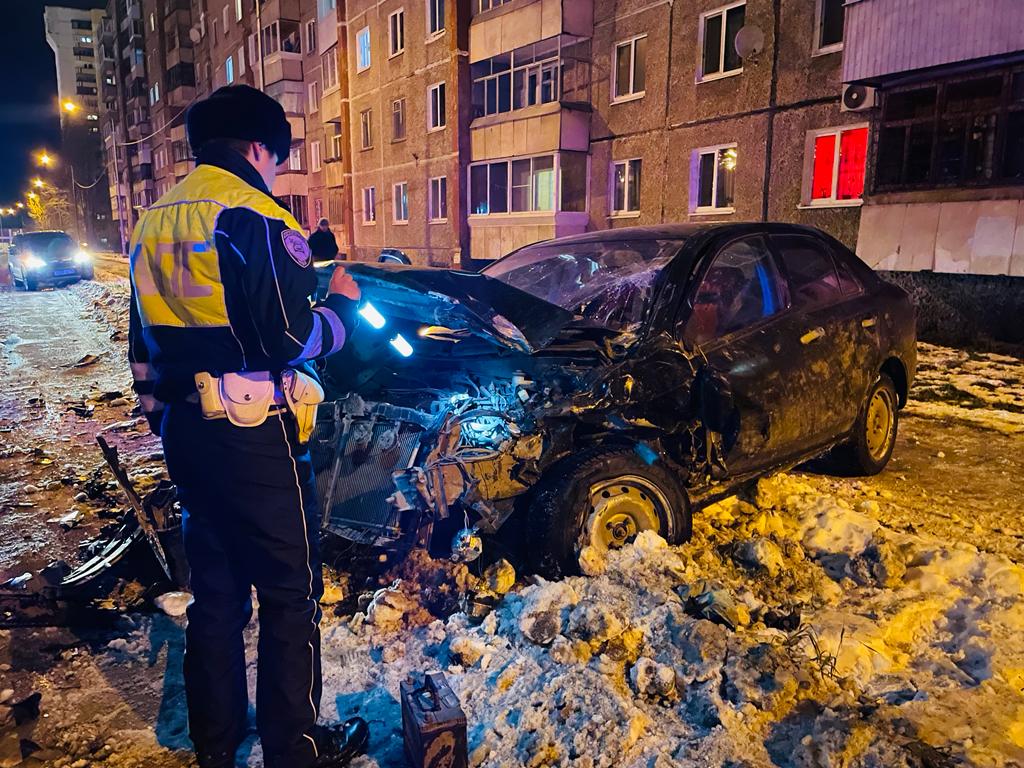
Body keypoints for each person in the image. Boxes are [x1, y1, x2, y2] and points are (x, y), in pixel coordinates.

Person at [126, 84, 369, 768]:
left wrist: (169, 422)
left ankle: (216, 740)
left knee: (217, 592)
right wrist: (340, 314)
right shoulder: (254, 213)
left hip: (187, 432)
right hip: (252, 429)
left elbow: (139, 348)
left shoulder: (154, 222)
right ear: (260, 148)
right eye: (276, 159)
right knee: (291, 592)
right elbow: (289, 334)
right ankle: (294, 747)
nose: (274, 173)